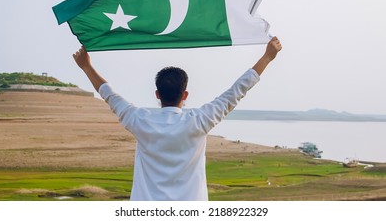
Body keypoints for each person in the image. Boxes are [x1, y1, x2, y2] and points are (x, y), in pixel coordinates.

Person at [73, 36, 282, 201]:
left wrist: (86, 66)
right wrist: (267, 57)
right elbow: (237, 91)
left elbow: (109, 94)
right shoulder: (199, 121)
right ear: (185, 95)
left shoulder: (140, 121)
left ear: (157, 94)